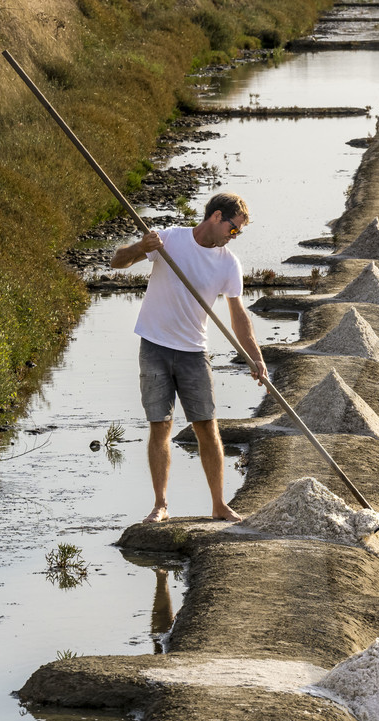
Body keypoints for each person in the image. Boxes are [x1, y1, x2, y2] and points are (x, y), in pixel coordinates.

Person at [109, 191, 268, 523]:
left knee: (207, 428)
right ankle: (160, 506)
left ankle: (219, 505)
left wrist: (256, 357)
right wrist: (141, 248)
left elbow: (239, 316)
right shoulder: (169, 240)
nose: (234, 236)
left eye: (238, 232)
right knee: (160, 426)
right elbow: (117, 262)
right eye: (233, 229)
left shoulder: (228, 263)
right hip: (155, 346)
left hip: (194, 352)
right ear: (215, 217)